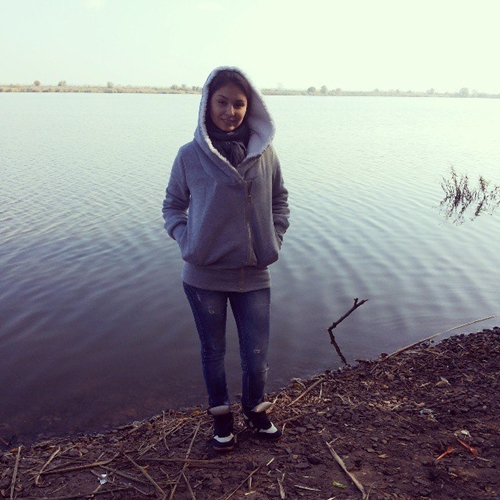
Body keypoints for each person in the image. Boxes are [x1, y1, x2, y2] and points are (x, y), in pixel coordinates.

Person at [162, 66, 290, 452]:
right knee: (213, 352)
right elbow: (173, 206)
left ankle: (254, 408)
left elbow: (280, 200)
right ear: (207, 104)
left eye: (238, 103)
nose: (229, 111)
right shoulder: (190, 155)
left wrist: (273, 239)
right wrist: (189, 242)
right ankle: (221, 417)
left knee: (256, 354)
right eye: (222, 102)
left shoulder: (264, 154)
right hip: (204, 276)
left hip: (254, 274)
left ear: (250, 107)